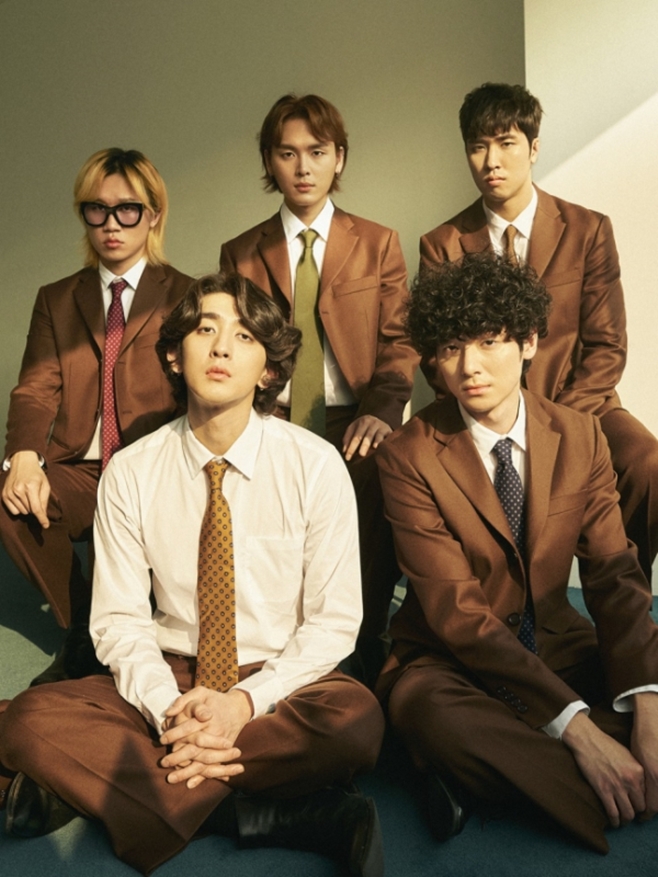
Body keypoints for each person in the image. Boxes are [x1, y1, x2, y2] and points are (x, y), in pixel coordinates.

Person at [0, 273, 385, 877]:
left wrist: (242, 704)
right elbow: (120, 623)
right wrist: (169, 712)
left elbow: (334, 623)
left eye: (244, 336)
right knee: (28, 720)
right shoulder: (131, 472)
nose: (222, 347)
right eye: (206, 329)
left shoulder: (315, 465)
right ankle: (265, 815)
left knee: (355, 722)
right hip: (171, 672)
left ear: (269, 371)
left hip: (277, 682)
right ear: (176, 357)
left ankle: (98, 786)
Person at [376, 254, 658, 852]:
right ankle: (605, 777)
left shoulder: (582, 435)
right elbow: (457, 614)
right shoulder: (407, 455)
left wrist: (650, 711)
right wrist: (580, 730)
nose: (470, 367)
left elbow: (614, 578)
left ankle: (477, 778)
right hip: (448, 661)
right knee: (430, 715)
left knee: (648, 682)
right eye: (451, 348)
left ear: (529, 341)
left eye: (489, 341)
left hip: (557, 646)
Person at [419, 82, 658, 583]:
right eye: (478, 146)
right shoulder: (443, 243)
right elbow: (433, 353)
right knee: (408, 457)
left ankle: (622, 593)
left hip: (580, 404)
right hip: (479, 409)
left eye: (506, 143)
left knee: (647, 462)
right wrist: (493, 413)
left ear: (533, 148)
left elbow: (607, 346)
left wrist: (557, 421)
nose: (492, 161)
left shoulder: (587, 229)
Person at [220, 94, 419, 683]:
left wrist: (382, 411)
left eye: (317, 152)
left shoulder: (378, 243)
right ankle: (275, 648)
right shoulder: (242, 252)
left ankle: (364, 639)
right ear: (269, 161)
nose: (303, 167)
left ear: (340, 158)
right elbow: (232, 344)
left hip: (353, 417)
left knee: (378, 490)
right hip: (271, 418)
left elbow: (399, 340)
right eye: (288, 154)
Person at [0, 148, 192, 684]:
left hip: (155, 468)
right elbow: (36, 388)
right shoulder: (57, 298)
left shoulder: (188, 294)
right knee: (13, 502)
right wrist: (23, 456)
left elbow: (196, 392)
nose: (111, 224)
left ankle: (144, 628)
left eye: (127, 209)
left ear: (153, 214)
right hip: (82, 469)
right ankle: (85, 628)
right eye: (97, 209)